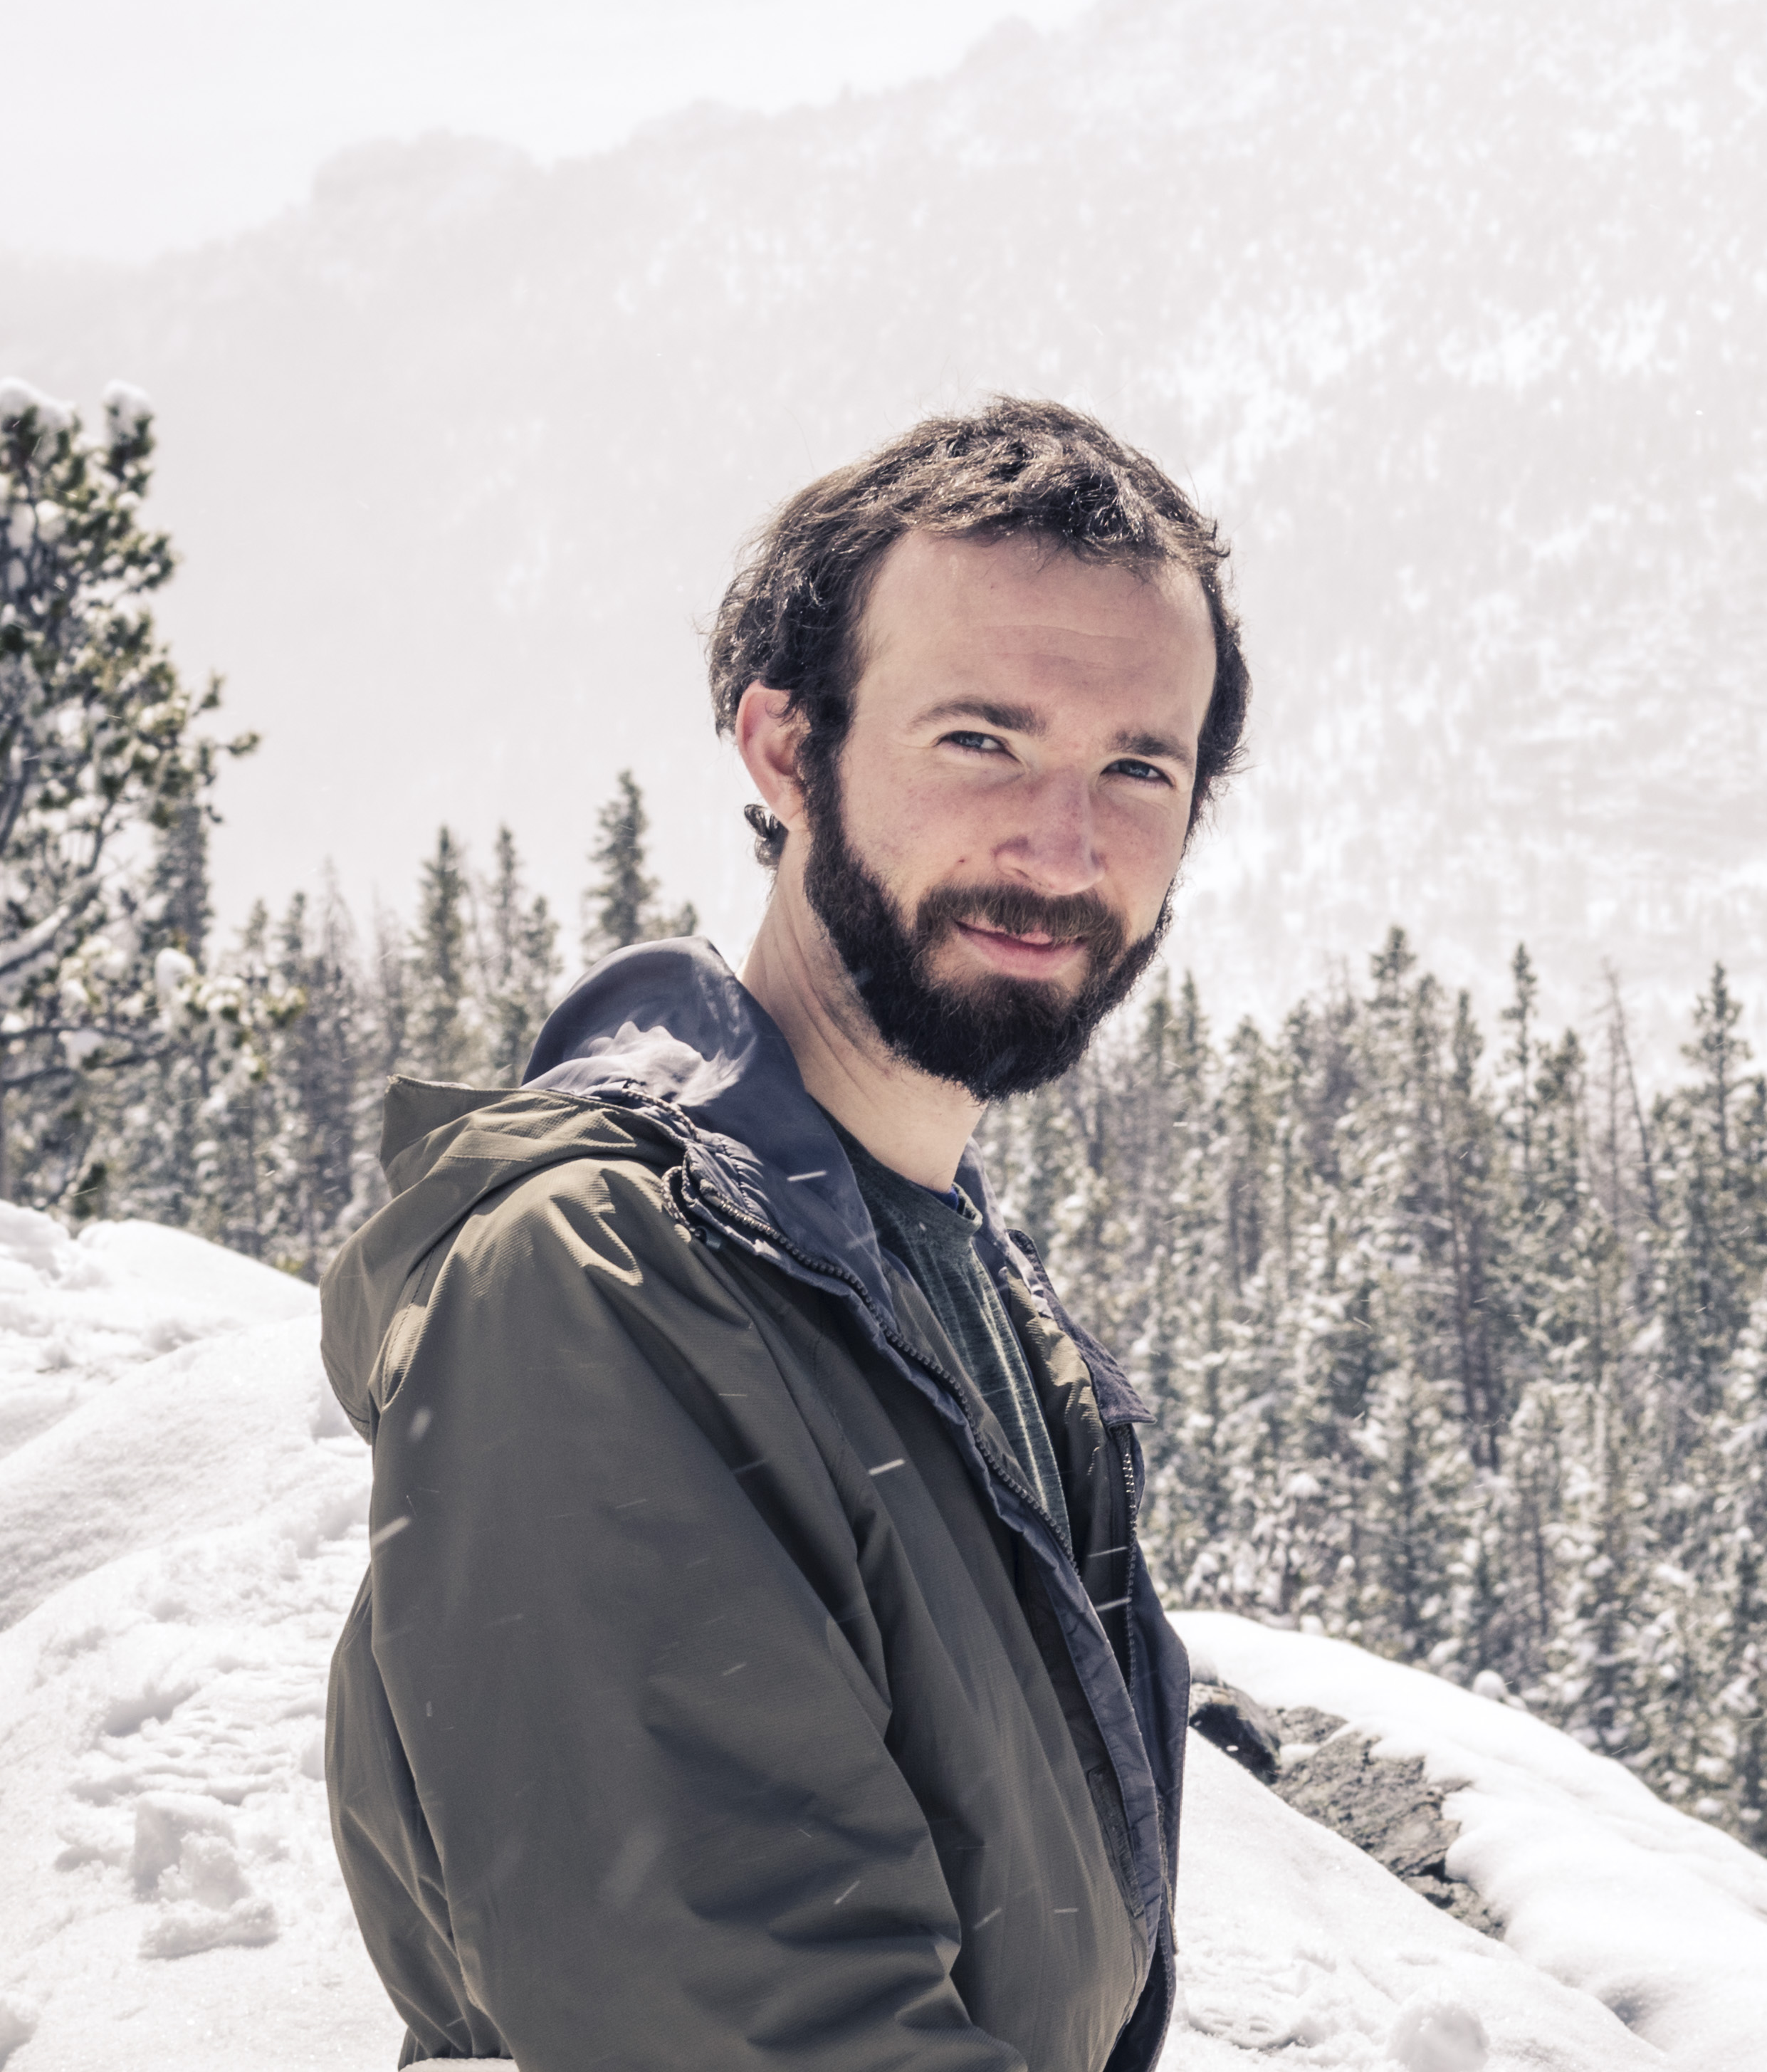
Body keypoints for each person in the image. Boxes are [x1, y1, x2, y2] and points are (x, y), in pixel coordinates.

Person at [320, 400, 1244, 2071]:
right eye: (982, 738)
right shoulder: (599, 1290)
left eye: (1137, 765)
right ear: (781, 745)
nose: (1066, 842)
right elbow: (781, 2028)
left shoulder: (924, 1270)